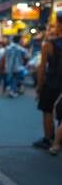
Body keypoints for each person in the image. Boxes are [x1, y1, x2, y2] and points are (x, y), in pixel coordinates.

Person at [34, 16, 62, 150]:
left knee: (47, 111)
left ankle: (48, 138)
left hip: (51, 83)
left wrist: (39, 87)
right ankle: (58, 139)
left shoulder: (49, 45)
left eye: (56, 24)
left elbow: (42, 68)